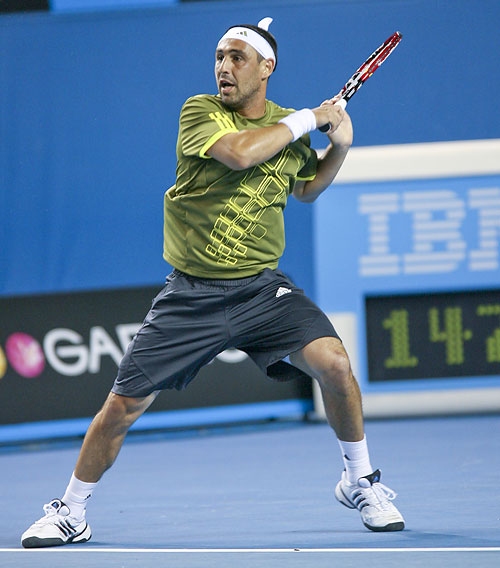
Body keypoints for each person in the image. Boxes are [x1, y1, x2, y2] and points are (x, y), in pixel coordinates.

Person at [21, 17, 404, 548]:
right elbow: (241, 153)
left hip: (262, 292)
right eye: (220, 57)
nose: (224, 67)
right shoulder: (200, 112)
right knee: (122, 407)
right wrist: (310, 118)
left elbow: (307, 188)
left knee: (336, 365)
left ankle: (360, 481)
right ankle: (71, 510)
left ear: (266, 67)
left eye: (237, 57)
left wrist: (338, 147)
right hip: (191, 296)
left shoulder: (286, 128)